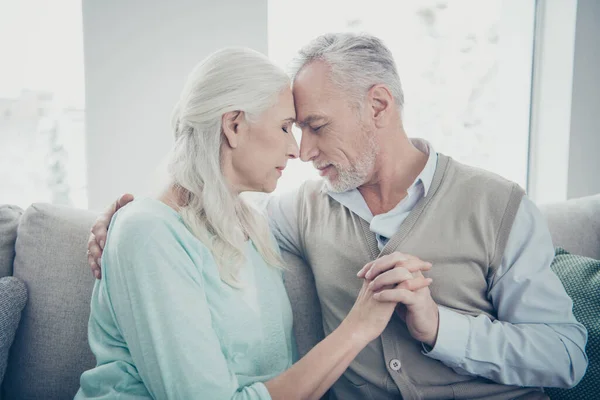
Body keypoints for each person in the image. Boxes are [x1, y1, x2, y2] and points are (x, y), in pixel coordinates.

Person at [89, 34, 588, 399]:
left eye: (314, 126)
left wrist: (439, 326)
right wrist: (116, 228)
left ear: (377, 105)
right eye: (291, 127)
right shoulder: (297, 210)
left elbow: (566, 357)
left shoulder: (498, 205)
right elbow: (199, 214)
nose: (302, 151)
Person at [76, 47, 434, 400]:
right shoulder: (147, 232)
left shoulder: (254, 226)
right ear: (234, 126)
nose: (297, 150)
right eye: (284, 127)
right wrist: (358, 328)